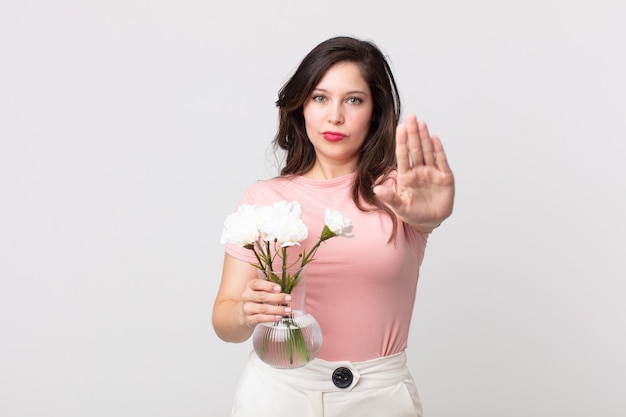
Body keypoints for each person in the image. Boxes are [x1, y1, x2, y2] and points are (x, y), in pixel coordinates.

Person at [212, 35, 455, 417]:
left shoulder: (400, 193)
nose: (335, 115)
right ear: (301, 107)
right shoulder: (263, 201)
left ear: (375, 110)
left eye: (354, 100)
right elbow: (224, 320)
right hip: (278, 393)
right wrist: (244, 312)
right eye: (320, 98)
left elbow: (427, 215)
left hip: (379, 396)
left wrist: (431, 217)